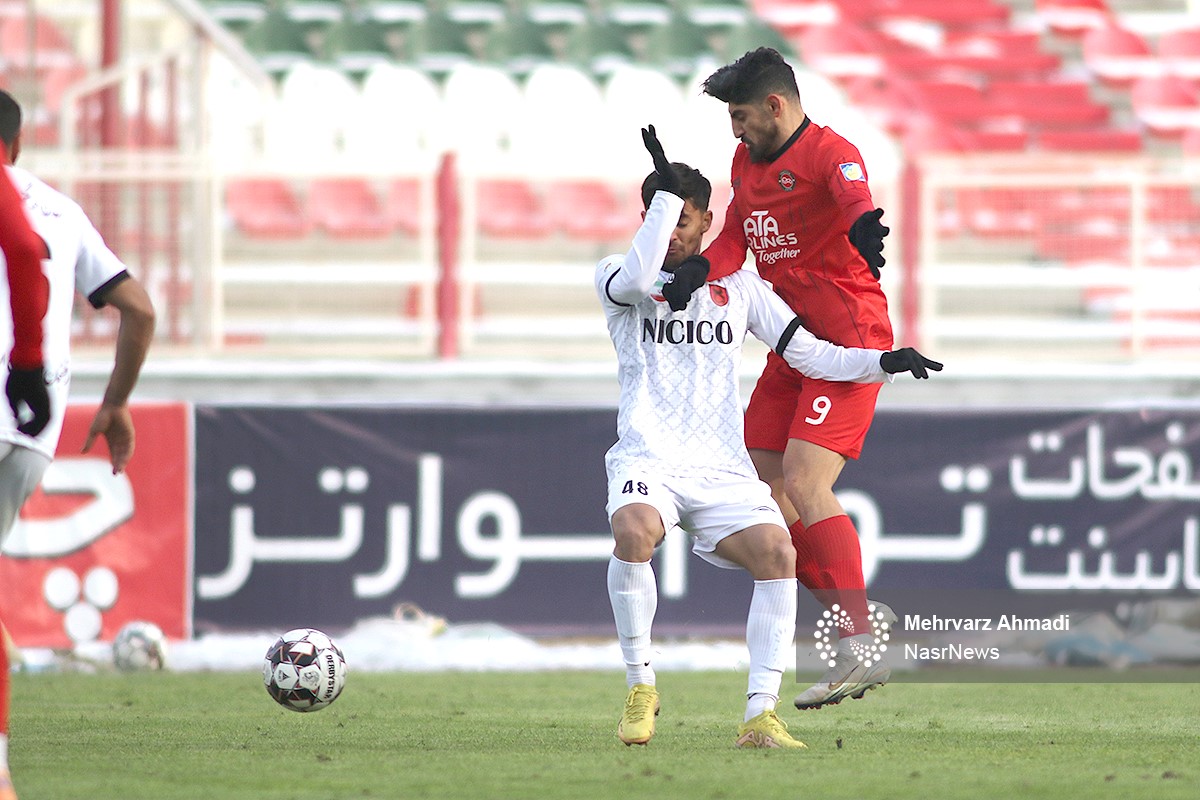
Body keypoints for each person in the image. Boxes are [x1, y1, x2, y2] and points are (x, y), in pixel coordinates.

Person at [597, 125, 939, 748]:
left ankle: (760, 715)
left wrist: (881, 362)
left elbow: (811, 354)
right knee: (634, 532)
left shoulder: (741, 290)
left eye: (683, 223)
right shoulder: (621, 279)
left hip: (722, 469)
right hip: (649, 459)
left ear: (708, 224)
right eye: (657, 220)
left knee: (779, 553)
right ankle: (641, 686)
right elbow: (643, 272)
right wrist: (665, 199)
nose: (670, 235)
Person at [683, 47, 903, 710]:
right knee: (759, 495)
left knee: (807, 483)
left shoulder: (831, 152)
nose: (735, 130)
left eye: (741, 116)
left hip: (850, 339)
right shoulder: (744, 164)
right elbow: (734, 241)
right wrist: (699, 270)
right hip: (793, 347)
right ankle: (858, 630)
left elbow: (854, 197)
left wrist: (863, 226)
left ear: (775, 106)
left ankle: (859, 642)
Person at [0, 89, 156, 800]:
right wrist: (115, 403)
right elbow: (139, 309)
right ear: (19, 143)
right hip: (33, 431)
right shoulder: (62, 211)